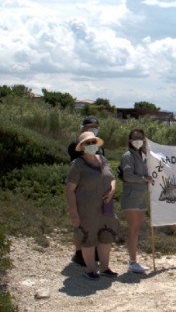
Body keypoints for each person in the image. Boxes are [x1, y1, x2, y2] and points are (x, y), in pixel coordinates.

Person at [65, 132, 118, 280]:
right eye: (87, 143)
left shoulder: (103, 160)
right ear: (81, 147)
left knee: (106, 236)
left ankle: (105, 267)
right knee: (88, 237)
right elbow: (70, 189)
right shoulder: (77, 164)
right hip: (86, 209)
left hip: (105, 207)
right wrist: (74, 213)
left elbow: (112, 178)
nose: (91, 145)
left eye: (93, 142)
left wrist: (113, 189)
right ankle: (90, 269)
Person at [67, 116, 105, 266]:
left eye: (96, 126)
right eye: (90, 126)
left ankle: (92, 250)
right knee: (80, 223)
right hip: (81, 189)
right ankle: (79, 252)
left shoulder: (99, 146)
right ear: (82, 127)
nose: (94, 128)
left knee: (95, 222)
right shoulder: (74, 145)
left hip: (97, 191)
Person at [119, 128, 154, 274]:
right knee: (133, 229)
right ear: (129, 140)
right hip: (131, 196)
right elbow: (127, 175)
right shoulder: (128, 156)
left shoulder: (142, 154)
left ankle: (134, 260)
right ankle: (132, 262)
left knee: (137, 229)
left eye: (140, 137)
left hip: (140, 197)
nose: (138, 140)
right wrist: (144, 179)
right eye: (135, 138)